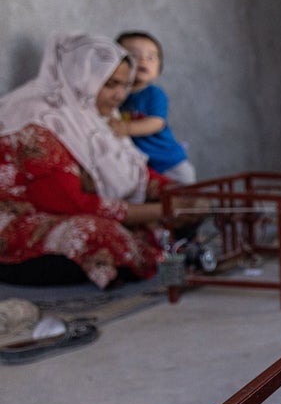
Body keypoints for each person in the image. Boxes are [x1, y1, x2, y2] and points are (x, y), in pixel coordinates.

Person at [0, 33, 172, 288]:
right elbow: (67, 203)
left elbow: (132, 171)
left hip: (74, 211)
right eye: (111, 84)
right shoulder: (36, 120)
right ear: (81, 79)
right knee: (94, 232)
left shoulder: (91, 116)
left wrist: (174, 193)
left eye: (125, 85)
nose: (120, 95)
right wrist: (161, 210)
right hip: (23, 222)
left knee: (175, 217)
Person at [111, 30, 195, 184]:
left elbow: (156, 122)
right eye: (134, 56)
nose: (143, 61)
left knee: (183, 199)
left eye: (151, 57)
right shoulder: (115, 95)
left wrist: (125, 128)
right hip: (143, 167)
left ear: (159, 68)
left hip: (169, 163)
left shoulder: (154, 94)